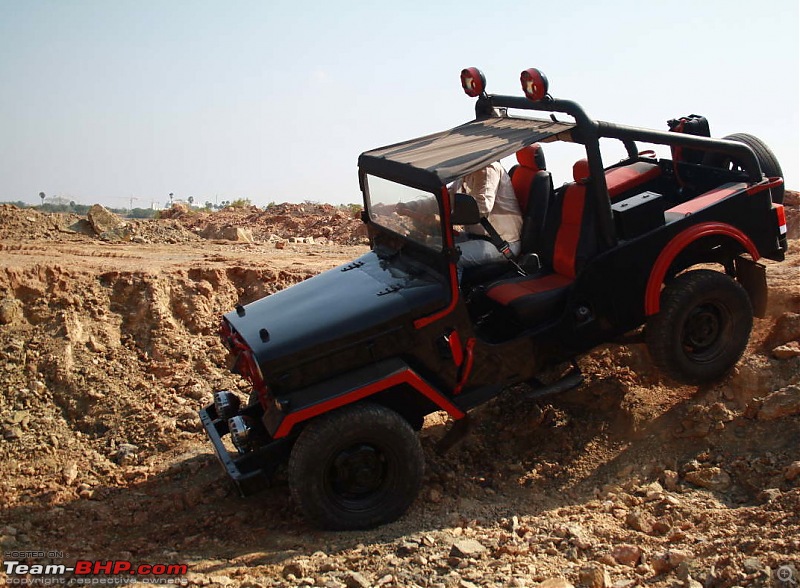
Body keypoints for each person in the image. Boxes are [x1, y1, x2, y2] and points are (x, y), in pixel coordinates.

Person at [450, 161, 522, 270]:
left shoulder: (488, 168)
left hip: (501, 243)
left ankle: (451, 287)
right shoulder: (466, 172)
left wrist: (443, 218)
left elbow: (482, 207)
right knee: (433, 246)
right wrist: (415, 208)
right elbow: (445, 197)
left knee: (451, 257)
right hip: (476, 236)